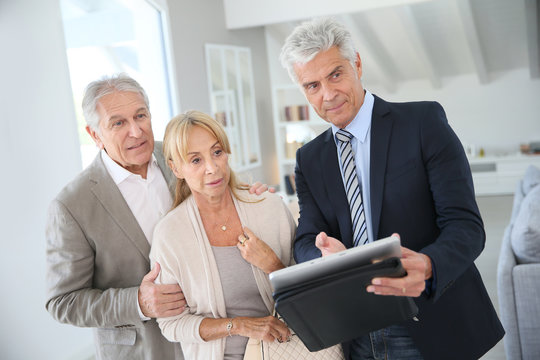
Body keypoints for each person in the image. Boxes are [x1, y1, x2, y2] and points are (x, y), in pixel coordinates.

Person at [280, 18, 504, 360]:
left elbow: (467, 226)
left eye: (335, 74)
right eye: (312, 85)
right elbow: (306, 241)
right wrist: (327, 257)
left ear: (356, 63)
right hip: (355, 330)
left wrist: (428, 264)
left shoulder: (423, 123)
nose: (327, 94)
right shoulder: (309, 159)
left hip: (430, 322)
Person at [45, 74, 271, 360]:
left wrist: (248, 197)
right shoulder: (71, 206)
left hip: (214, 342)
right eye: (118, 123)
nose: (137, 132)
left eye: (141, 116)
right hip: (147, 350)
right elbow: (63, 302)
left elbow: (221, 191)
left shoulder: (182, 155)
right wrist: (138, 302)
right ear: (94, 134)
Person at [150, 110, 297, 360]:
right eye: (195, 160)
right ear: (176, 168)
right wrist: (239, 325)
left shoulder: (269, 208)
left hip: (288, 353)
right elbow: (171, 324)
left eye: (217, 152)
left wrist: (273, 265)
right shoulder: (170, 234)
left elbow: (310, 292)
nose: (212, 168)